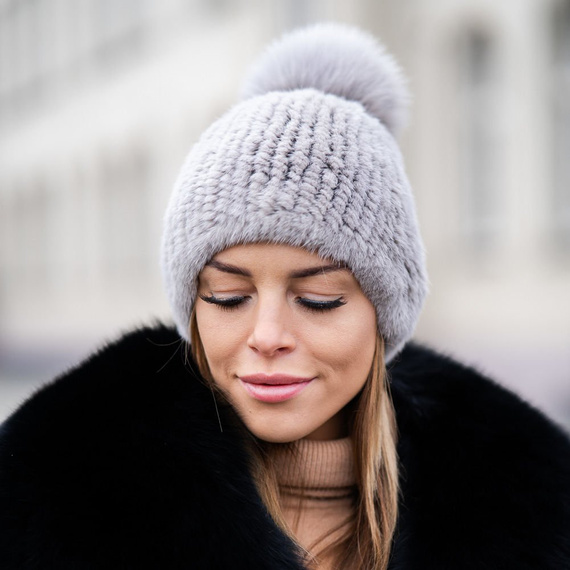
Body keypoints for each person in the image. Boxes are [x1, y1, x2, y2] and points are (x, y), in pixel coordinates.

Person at [0, 23, 569, 570]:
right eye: (227, 296)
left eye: (318, 298)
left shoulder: (535, 503)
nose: (267, 336)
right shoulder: (55, 493)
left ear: (383, 314)